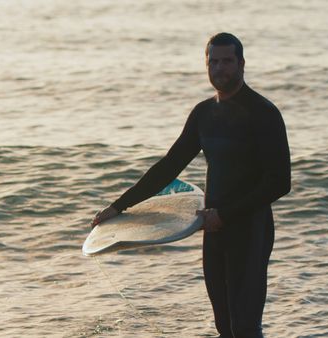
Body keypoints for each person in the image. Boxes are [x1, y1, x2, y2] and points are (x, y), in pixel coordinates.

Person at [90, 32, 291, 338]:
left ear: (241, 64)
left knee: (246, 327)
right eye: (213, 61)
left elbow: (279, 182)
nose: (220, 68)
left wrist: (225, 214)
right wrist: (119, 205)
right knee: (225, 326)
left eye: (227, 61)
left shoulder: (263, 113)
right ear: (206, 64)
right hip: (213, 230)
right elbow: (168, 167)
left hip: (250, 229)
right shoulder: (204, 114)